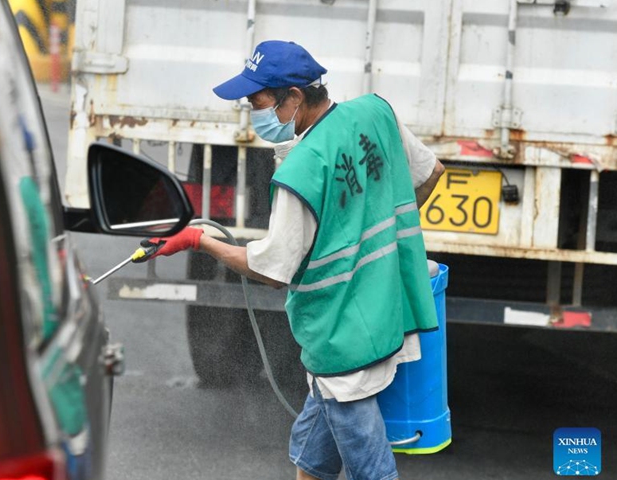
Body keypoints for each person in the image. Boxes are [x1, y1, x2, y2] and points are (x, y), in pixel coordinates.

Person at [147, 40, 445, 480]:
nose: (253, 112)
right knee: (311, 459)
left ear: (295, 97)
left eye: (259, 101)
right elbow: (431, 173)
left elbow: (272, 270)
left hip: (342, 341)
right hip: (383, 313)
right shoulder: (375, 112)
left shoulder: (301, 172)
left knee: (373, 471)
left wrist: (199, 239)